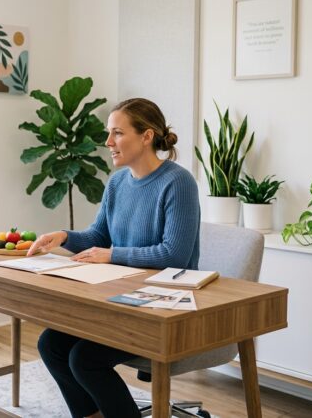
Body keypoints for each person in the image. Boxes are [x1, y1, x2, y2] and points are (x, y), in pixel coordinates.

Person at [26, 98, 200, 418]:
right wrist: (64, 237)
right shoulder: (118, 182)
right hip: (120, 299)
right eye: (109, 133)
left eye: (117, 133)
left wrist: (112, 255)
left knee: (84, 359)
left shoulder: (178, 182)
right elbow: (99, 237)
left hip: (162, 307)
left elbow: (173, 254)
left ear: (146, 136)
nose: (108, 143)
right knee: (51, 344)